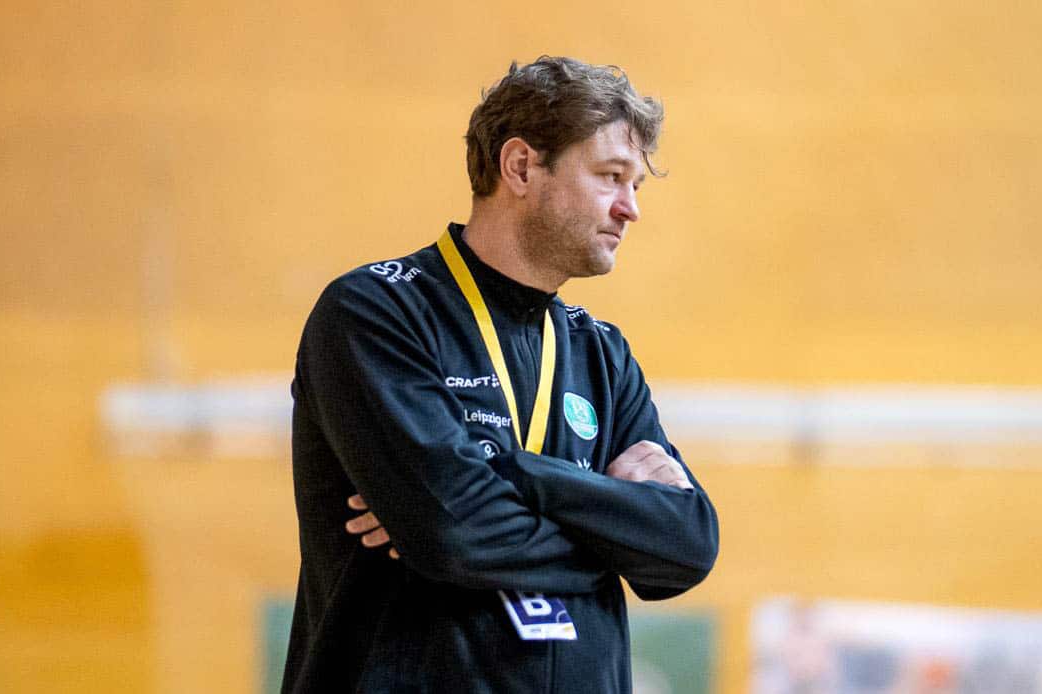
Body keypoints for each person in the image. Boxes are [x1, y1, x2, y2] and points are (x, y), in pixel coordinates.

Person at [282, 56, 720, 693]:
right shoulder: (376, 311)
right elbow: (454, 532)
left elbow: (686, 546)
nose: (630, 209)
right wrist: (611, 530)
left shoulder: (600, 351)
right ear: (520, 167)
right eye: (610, 176)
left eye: (635, 186)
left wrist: (509, 472)